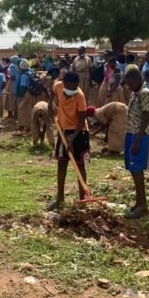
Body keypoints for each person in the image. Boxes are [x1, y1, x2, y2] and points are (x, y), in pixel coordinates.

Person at [48, 71, 89, 209]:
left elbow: (82, 120)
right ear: (64, 83)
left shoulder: (80, 96)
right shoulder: (58, 86)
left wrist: (73, 138)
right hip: (63, 130)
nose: (72, 90)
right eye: (70, 87)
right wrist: (50, 103)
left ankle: (83, 199)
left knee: (80, 165)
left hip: (79, 132)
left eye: (75, 87)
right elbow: (52, 91)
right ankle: (60, 198)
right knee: (62, 163)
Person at [123, 69, 149, 219]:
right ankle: (139, 202)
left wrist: (137, 140)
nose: (129, 87)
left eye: (130, 84)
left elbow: (146, 117)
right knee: (133, 169)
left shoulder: (144, 93)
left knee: (137, 169)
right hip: (131, 133)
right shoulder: (135, 93)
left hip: (139, 135)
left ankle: (143, 206)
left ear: (137, 80)